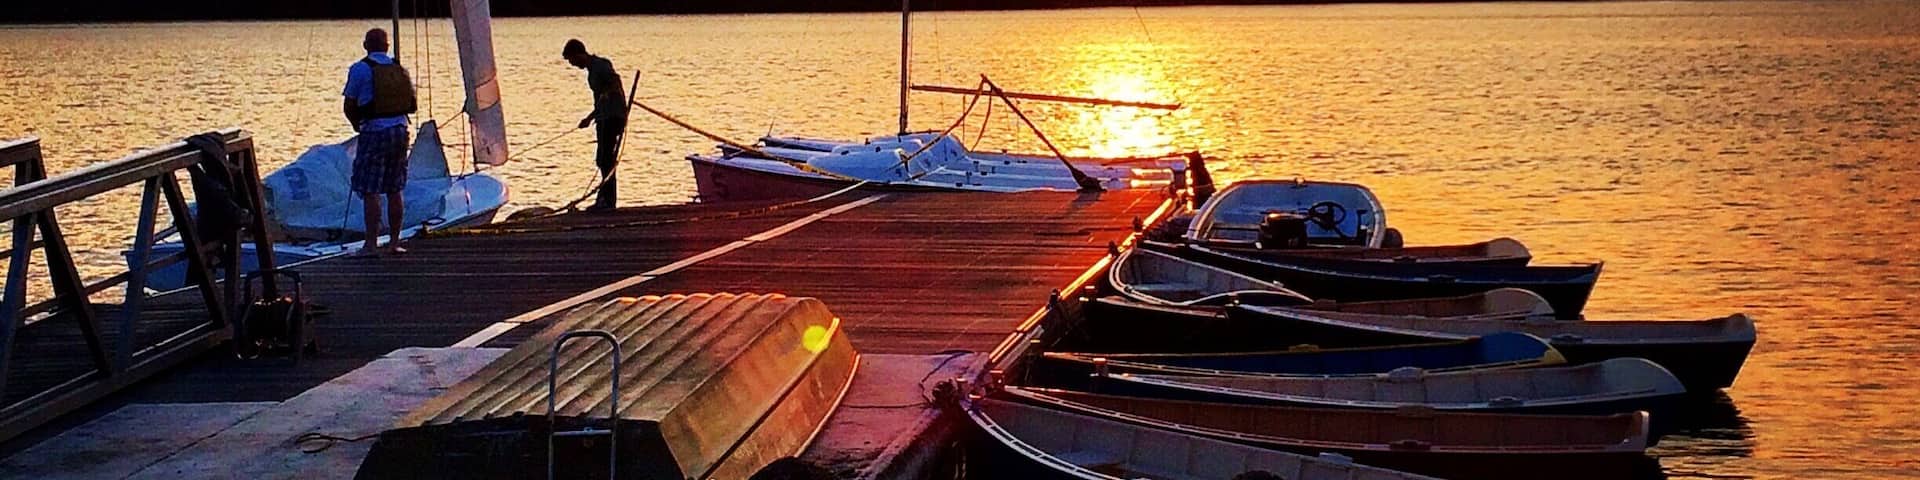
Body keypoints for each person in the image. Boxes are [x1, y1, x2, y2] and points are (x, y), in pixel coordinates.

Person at [342, 28, 417, 252]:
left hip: (374, 131)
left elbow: (349, 104)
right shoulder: (398, 68)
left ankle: (371, 244)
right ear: (386, 46)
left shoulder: (359, 69)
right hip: (400, 130)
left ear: (366, 46)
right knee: (395, 188)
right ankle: (394, 243)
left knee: (370, 189)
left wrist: (357, 125)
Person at [562, 39, 628, 211]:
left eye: (572, 60)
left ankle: (607, 201)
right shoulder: (591, 71)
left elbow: (615, 82)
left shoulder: (601, 65)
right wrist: (589, 118)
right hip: (603, 117)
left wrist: (608, 93)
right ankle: (605, 198)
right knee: (603, 159)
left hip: (613, 117)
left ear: (579, 54)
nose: (573, 64)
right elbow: (598, 101)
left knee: (605, 158)